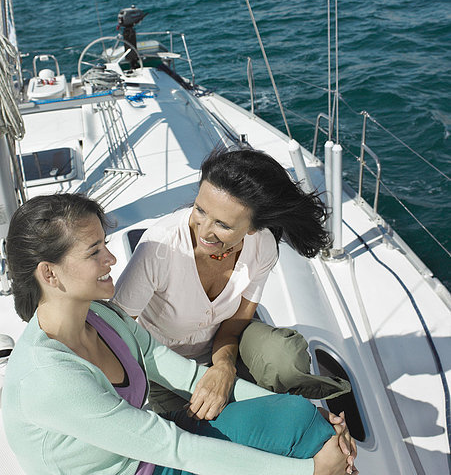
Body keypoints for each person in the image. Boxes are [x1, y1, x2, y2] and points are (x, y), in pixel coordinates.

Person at [2, 193, 357, 475]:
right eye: (94, 252)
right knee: (309, 449)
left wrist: (319, 416)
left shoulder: (103, 318)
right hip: (153, 458)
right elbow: (171, 448)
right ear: (49, 275)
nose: (111, 258)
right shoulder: (48, 377)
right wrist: (309, 471)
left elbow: (189, 377)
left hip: (153, 454)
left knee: (300, 418)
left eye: (105, 244)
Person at [114, 148, 351, 420]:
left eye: (223, 225)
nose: (203, 230)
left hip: (226, 346)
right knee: (210, 429)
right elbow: (117, 334)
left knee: (283, 358)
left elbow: (235, 323)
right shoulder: (159, 247)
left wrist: (224, 367)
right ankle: (279, 411)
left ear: (253, 228)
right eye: (200, 210)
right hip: (162, 364)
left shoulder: (262, 246)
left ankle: (288, 409)